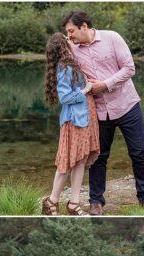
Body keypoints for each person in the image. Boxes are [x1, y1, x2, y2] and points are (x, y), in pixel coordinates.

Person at [62, 9, 144, 214]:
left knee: (139, 152)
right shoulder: (72, 49)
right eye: (68, 33)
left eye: (71, 31)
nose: (69, 35)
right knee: (97, 156)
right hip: (98, 110)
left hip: (127, 104)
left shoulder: (112, 37)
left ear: (84, 26)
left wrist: (105, 84)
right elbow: (66, 74)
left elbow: (129, 68)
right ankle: (96, 202)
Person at [41, 32, 100, 216]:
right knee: (66, 162)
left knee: (80, 160)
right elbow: (65, 97)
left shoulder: (71, 64)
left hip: (84, 118)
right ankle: (51, 202)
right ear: (64, 47)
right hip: (75, 120)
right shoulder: (65, 67)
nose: (71, 40)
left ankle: (74, 203)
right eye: (68, 40)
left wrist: (86, 85)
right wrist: (86, 90)